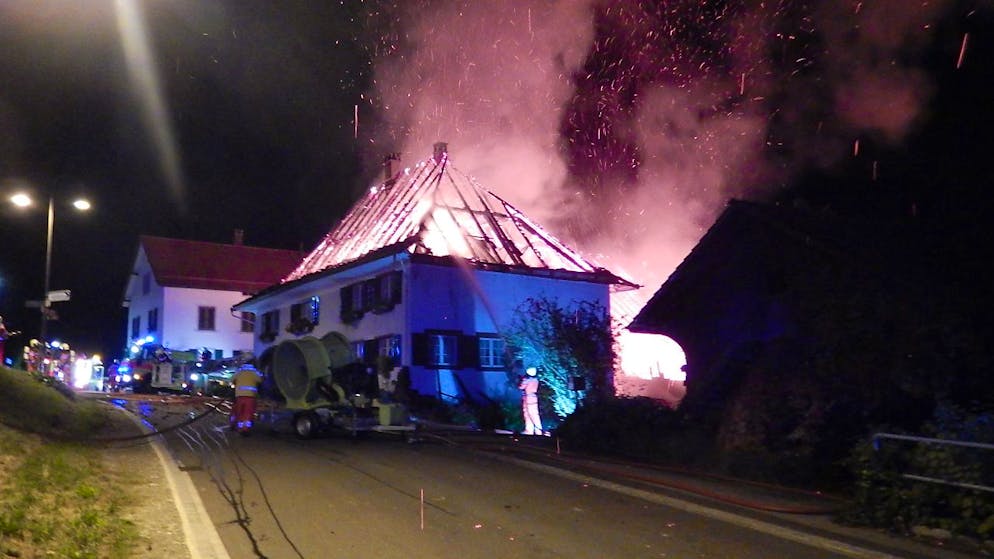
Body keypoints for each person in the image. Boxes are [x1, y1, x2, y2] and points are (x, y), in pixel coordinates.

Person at [230, 357, 264, 435]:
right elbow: (260, 380)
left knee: (240, 412)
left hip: (239, 396)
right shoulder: (254, 372)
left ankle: (239, 427)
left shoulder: (239, 371)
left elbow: (231, 379)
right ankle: (246, 429)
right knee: (248, 413)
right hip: (250, 396)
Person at [519, 366, 543, 435]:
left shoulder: (527, 380)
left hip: (528, 398)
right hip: (534, 397)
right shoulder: (536, 380)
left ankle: (531, 430)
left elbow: (521, 387)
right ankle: (536, 431)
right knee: (534, 414)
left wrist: (521, 380)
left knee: (529, 414)